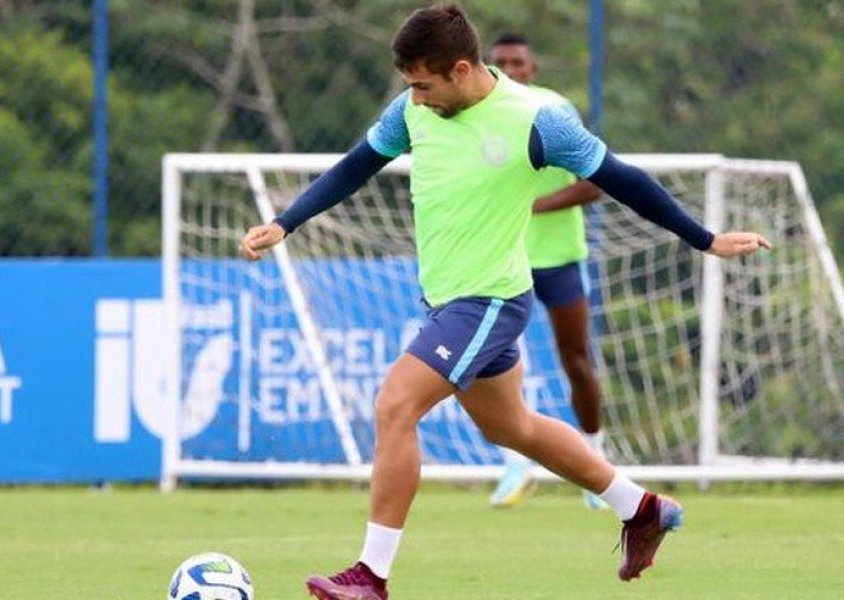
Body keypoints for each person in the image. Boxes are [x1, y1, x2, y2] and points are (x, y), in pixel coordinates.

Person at [240, 6, 771, 598]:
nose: (414, 97)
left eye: (423, 84)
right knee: (512, 427)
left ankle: (370, 576)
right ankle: (639, 507)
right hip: (444, 303)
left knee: (395, 406)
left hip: (489, 299)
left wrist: (706, 239)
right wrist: (285, 223)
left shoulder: (537, 120)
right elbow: (356, 167)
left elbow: (622, 178)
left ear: (462, 69)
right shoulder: (411, 111)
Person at [487, 31, 609, 511]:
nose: (511, 71)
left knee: (575, 359)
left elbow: (593, 185)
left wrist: (532, 206)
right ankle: (515, 465)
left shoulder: (553, 111)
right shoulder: (478, 117)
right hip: (500, 259)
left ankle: (595, 464)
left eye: (518, 62)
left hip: (558, 258)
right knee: (492, 366)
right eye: (500, 63)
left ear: (532, 69)